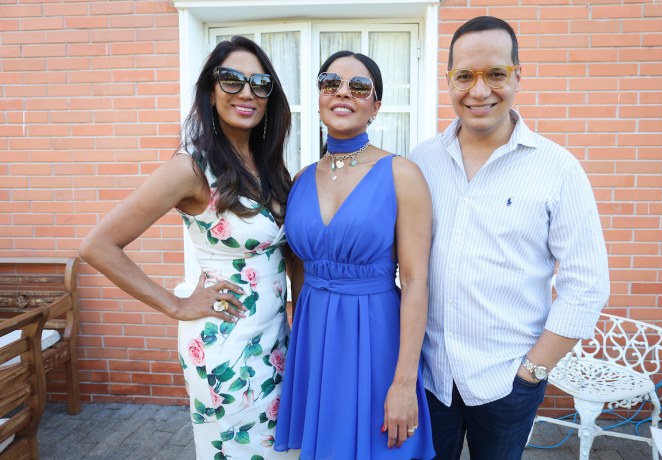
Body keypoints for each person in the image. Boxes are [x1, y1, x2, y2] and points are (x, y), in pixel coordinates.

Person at [80, 36, 299, 459]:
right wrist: (176, 305)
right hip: (226, 345)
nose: (247, 93)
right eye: (232, 80)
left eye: (260, 83)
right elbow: (98, 246)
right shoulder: (190, 167)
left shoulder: (266, 163)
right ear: (211, 90)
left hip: (275, 342)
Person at [409, 16, 610, 459]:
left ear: (518, 75)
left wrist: (534, 371)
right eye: (464, 76)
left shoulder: (558, 168)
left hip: (507, 382)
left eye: (495, 74)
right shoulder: (420, 161)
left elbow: (587, 283)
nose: (479, 91)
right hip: (430, 377)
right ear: (449, 81)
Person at [273, 51, 436, 459]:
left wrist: (403, 383)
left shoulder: (401, 174)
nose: (343, 93)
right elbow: (296, 262)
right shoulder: (301, 179)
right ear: (319, 97)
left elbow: (416, 281)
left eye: (359, 87)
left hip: (375, 335)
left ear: (375, 106)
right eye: (331, 83)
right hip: (314, 335)